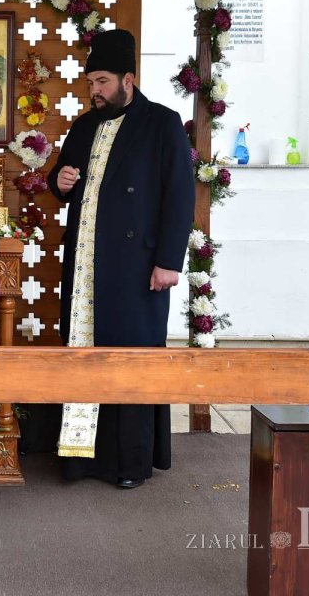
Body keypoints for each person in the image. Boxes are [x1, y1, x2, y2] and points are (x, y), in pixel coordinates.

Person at [47, 28, 194, 489]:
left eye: (104, 81)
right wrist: (61, 181)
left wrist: (169, 261)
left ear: (129, 79)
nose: (95, 90)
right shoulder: (84, 125)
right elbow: (60, 180)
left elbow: (180, 196)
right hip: (86, 264)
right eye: (91, 82)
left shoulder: (162, 122)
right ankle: (79, 458)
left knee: (130, 358)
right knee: (83, 353)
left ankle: (130, 463)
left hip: (136, 267)